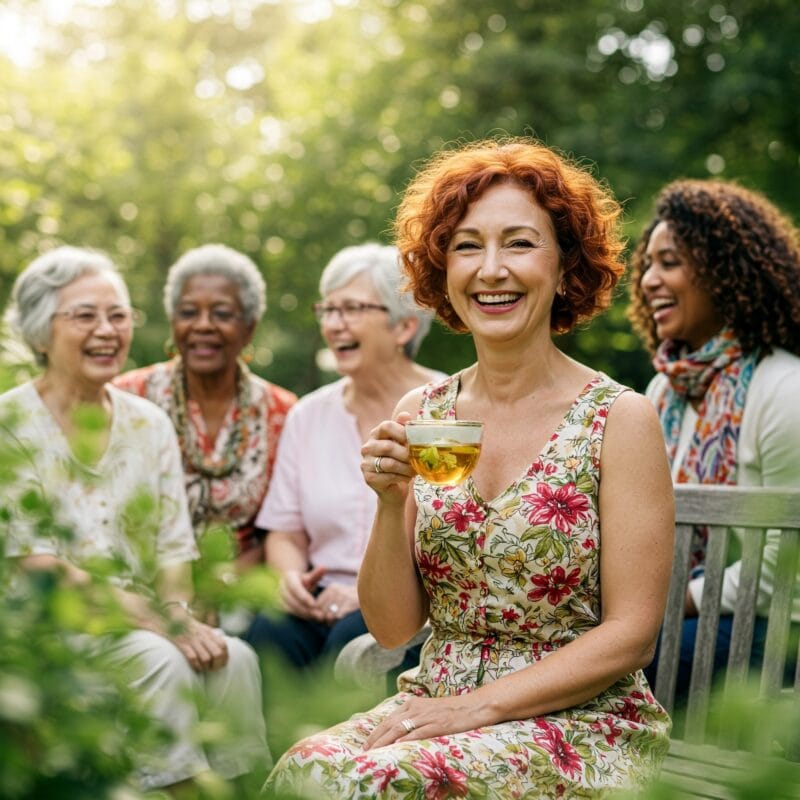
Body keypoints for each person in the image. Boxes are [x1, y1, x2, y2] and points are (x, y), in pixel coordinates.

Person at [265, 139, 675, 799]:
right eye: (466, 246)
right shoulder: (422, 410)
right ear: (441, 272)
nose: (491, 270)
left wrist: (472, 709)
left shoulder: (620, 420)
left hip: (582, 720)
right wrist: (391, 501)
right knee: (303, 769)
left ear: (567, 266)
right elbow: (394, 630)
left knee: (376, 784)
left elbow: (631, 637)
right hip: (433, 701)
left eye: (519, 244)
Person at [2, 246, 269, 792]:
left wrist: (176, 613)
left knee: (232, 658)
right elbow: (39, 567)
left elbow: (174, 548)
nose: (107, 330)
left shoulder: (147, 424)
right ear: (39, 332)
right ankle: (172, 787)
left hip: (142, 616)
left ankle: (248, 788)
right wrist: (161, 624)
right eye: (85, 315)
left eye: (118, 314)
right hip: (46, 628)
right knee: (159, 660)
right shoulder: (9, 422)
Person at [628, 178, 800, 697]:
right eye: (648, 266)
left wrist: (673, 599)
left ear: (725, 271)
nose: (649, 281)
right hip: (674, 618)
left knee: (605, 669)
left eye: (670, 262)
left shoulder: (784, 389)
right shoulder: (662, 391)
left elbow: (786, 566)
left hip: (769, 634)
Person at [244, 243, 443, 670]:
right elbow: (284, 530)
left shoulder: (449, 410)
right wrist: (291, 580)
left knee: (352, 637)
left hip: (414, 604)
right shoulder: (308, 415)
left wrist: (362, 596)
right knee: (269, 632)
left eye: (351, 309)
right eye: (328, 311)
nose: (334, 325)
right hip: (321, 597)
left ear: (403, 327)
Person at [114, 243, 296, 571]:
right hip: (145, 583)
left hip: (246, 588)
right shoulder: (127, 397)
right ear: (173, 322)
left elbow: (285, 528)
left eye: (222, 313)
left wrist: (221, 586)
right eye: (188, 312)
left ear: (249, 326)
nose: (202, 325)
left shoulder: (283, 413)